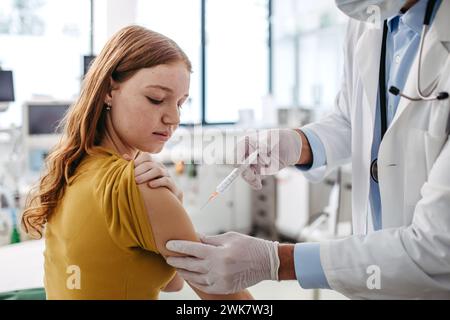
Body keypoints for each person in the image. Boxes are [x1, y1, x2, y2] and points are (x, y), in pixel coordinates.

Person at [164, 0, 450, 299]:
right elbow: (351, 120)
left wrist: (277, 261)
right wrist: (298, 143)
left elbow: (438, 248)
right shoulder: (369, 22)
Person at [21, 25, 252, 300]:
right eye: (156, 99)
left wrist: (173, 202)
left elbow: (172, 282)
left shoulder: (73, 166)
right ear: (109, 90)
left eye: (180, 103)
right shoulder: (141, 187)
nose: (174, 119)